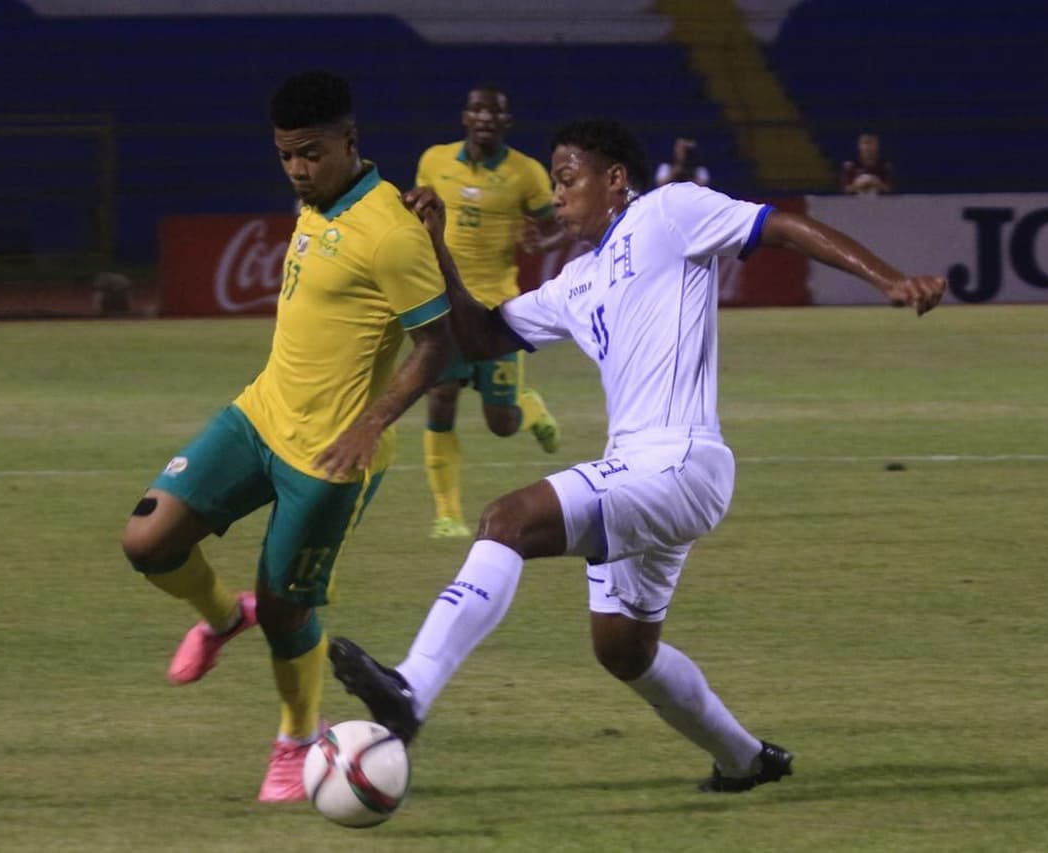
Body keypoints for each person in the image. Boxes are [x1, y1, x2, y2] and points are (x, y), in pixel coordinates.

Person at [329, 118, 945, 793]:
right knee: (622, 647)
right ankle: (746, 760)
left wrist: (887, 279)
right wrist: (438, 244)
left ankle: (411, 691)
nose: (557, 196)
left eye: (568, 179)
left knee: (507, 520)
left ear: (615, 178)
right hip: (648, 473)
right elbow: (477, 337)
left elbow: (783, 226)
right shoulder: (576, 279)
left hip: (678, 460)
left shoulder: (669, 211)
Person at [119, 70, 452, 804]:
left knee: (286, 609)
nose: (298, 169)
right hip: (259, 413)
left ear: (349, 141)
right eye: (286, 157)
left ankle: (297, 736)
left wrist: (370, 424)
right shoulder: (318, 201)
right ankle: (218, 614)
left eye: (311, 153)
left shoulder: (392, 231)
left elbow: (437, 345)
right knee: (146, 540)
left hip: (332, 455)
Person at [413, 85, 567, 539]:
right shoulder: (434, 161)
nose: (484, 118)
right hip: (441, 304)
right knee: (441, 398)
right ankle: (447, 515)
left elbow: (559, 221)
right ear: (465, 116)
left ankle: (528, 406)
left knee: (501, 425)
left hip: (497, 310)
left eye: (494, 112)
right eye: (477, 109)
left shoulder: (527, 173)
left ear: (506, 122)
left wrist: (546, 241)